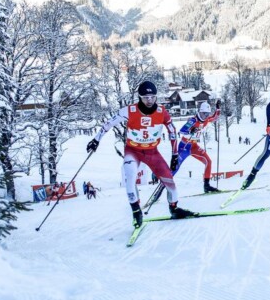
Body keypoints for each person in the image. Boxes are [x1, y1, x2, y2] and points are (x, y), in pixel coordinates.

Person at [86, 80, 196, 228]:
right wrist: (96, 140)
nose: (149, 100)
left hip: (152, 152)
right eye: (145, 97)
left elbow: (172, 132)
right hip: (133, 151)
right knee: (130, 177)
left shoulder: (161, 112)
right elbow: (109, 124)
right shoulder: (129, 111)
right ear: (139, 97)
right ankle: (136, 211)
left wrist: (175, 154)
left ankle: (174, 209)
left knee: (171, 184)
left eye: (152, 97)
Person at [175, 100, 222, 193]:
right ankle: (163, 185)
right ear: (200, 111)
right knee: (175, 167)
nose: (206, 116)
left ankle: (206, 185)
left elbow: (215, 117)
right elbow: (182, 131)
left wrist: (218, 108)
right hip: (184, 146)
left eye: (207, 114)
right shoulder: (193, 120)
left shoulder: (206, 120)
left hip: (194, 146)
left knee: (208, 161)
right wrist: (190, 131)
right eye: (204, 114)